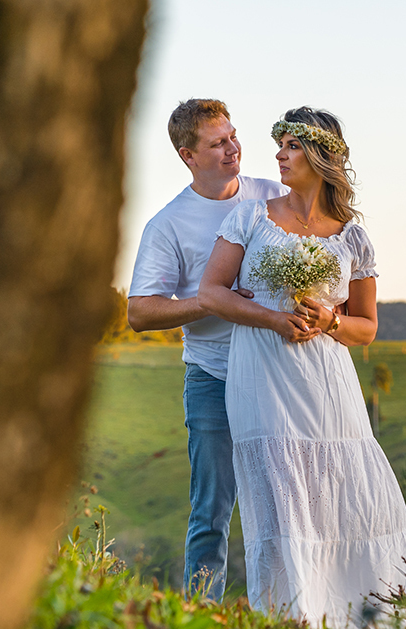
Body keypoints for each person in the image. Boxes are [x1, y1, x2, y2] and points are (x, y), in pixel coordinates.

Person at [198, 106, 406, 629]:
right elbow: (210, 292)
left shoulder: (353, 236)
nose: (279, 156)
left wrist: (330, 319)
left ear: (321, 154)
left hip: (327, 380)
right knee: (283, 497)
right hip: (261, 371)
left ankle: (364, 621)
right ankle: (293, 625)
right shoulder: (251, 216)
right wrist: (272, 319)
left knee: (347, 493)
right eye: (278, 146)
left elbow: (367, 327)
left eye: (290, 146)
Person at [127, 99, 287, 601]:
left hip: (278, 375)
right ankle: (201, 617)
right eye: (217, 143)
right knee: (212, 511)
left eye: (234, 135)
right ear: (187, 155)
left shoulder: (272, 196)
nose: (233, 148)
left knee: (288, 505)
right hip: (212, 378)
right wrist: (208, 302)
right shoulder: (168, 224)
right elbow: (140, 312)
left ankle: (291, 616)